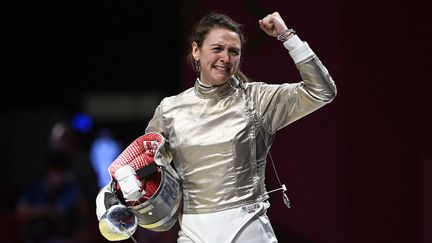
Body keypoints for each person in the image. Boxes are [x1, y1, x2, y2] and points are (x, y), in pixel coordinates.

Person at [95, 11, 336, 243]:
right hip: (193, 231)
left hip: (249, 229)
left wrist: (287, 36)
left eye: (234, 51)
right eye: (217, 49)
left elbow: (322, 91)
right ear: (196, 50)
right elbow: (144, 166)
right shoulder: (170, 110)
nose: (226, 58)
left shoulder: (257, 100)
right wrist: (116, 191)